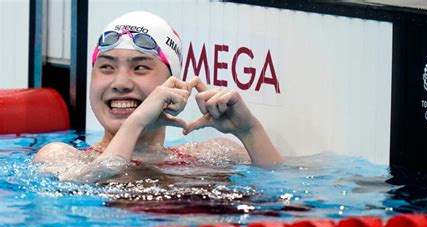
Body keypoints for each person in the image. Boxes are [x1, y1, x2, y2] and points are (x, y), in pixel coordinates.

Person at [34, 11, 282, 183]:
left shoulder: (212, 155)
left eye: (140, 67)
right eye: (106, 67)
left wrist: (249, 132)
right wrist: (137, 120)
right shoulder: (60, 156)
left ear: (173, 83)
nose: (120, 83)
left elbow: (282, 182)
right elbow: (90, 184)